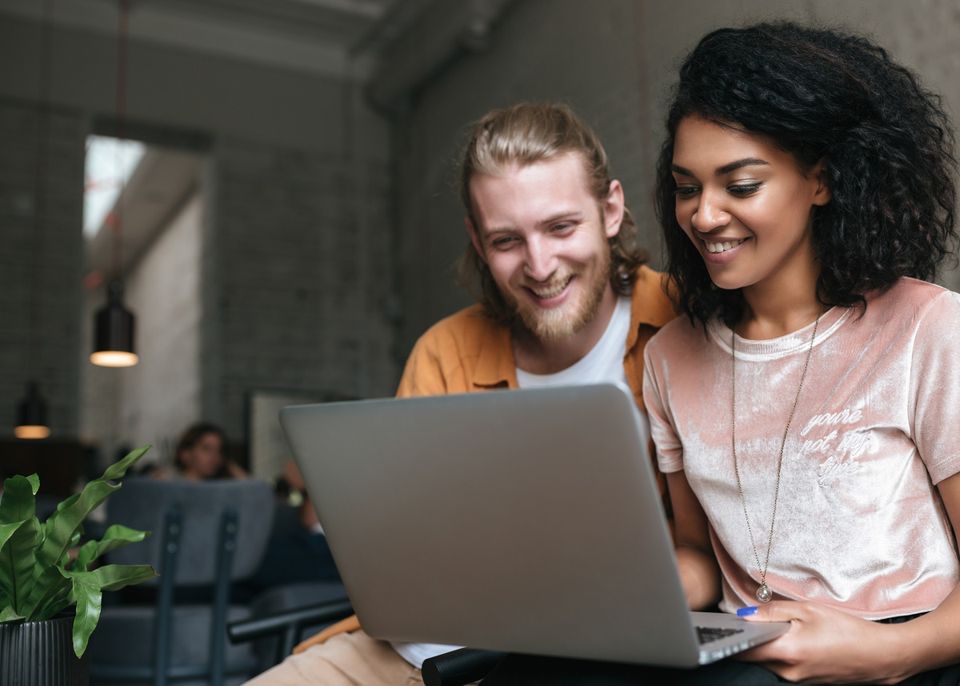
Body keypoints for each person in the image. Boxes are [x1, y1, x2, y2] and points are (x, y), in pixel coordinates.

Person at [245, 102, 676, 685]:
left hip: (594, 658)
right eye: (507, 240)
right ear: (476, 239)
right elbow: (395, 554)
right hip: (416, 652)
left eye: (560, 227)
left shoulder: (683, 322)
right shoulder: (444, 352)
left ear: (611, 209)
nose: (540, 265)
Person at [637, 22, 960, 685]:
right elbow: (697, 552)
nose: (702, 216)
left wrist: (886, 656)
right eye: (687, 186)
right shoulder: (669, 357)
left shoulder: (927, 329)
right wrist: (612, 596)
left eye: (740, 184)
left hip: (903, 650)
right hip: (750, 645)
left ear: (821, 181)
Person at [161, 421, 248, 480]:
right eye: (207, 449)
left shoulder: (219, 487)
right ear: (186, 454)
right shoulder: (169, 482)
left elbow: (253, 492)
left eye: (220, 451)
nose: (215, 457)